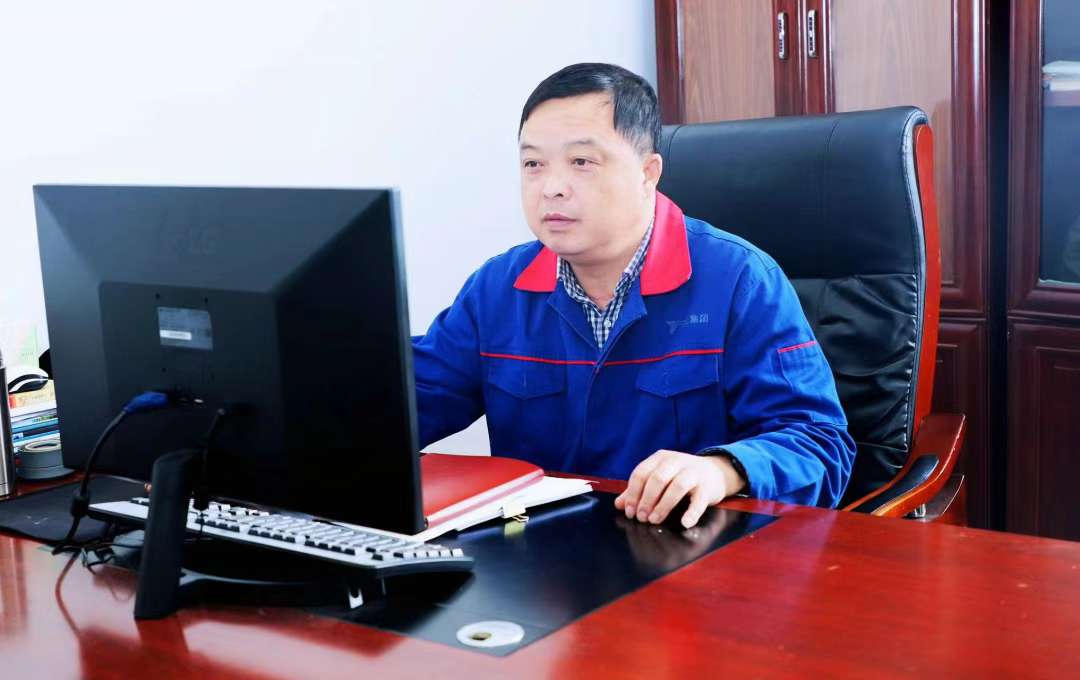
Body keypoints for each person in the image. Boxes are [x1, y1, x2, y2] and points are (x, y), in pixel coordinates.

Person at [412, 63, 855, 529]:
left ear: (648, 173)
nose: (552, 188)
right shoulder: (497, 288)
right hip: (537, 555)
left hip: (686, 550)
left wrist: (721, 470)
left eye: (581, 162)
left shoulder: (740, 280)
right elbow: (405, 405)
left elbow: (820, 446)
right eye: (533, 164)